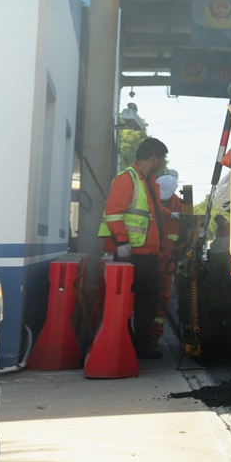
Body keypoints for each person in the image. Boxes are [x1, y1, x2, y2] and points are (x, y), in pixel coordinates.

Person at [98, 137, 169, 359]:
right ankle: (129, 343)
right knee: (129, 301)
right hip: (131, 255)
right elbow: (113, 214)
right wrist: (123, 242)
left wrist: (175, 215)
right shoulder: (127, 179)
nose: (162, 163)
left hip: (146, 255)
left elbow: (154, 213)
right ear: (154, 157)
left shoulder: (148, 181)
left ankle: (140, 343)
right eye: (162, 159)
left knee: (147, 300)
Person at [151, 173, 184, 345]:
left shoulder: (180, 205)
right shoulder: (150, 198)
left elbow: (184, 234)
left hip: (166, 260)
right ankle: (138, 333)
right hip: (147, 257)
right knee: (143, 296)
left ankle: (154, 335)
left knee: (162, 298)